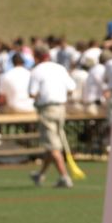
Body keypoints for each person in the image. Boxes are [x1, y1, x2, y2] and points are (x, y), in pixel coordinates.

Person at [28, 45, 76, 188]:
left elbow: (32, 93)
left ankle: (64, 177)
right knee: (52, 144)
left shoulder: (37, 71)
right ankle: (40, 174)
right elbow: (71, 88)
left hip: (47, 109)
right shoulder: (59, 68)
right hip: (61, 108)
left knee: (53, 146)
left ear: (36, 56)